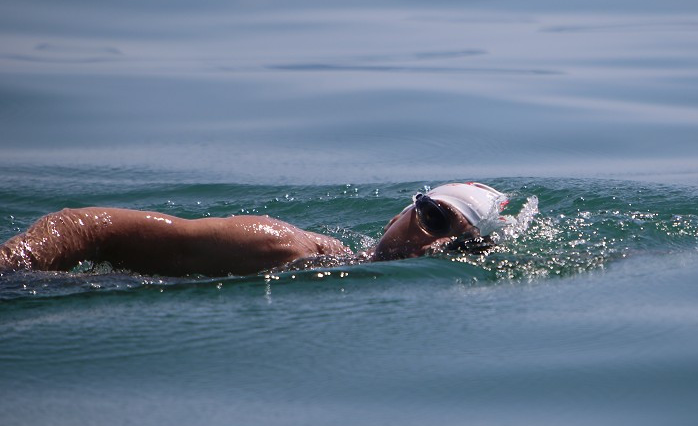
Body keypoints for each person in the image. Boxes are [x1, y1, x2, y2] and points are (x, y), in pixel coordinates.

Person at [0, 182, 510, 277]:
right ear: (400, 213)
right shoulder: (279, 247)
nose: (434, 242)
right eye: (434, 218)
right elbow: (83, 226)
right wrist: (12, 268)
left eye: (460, 241)